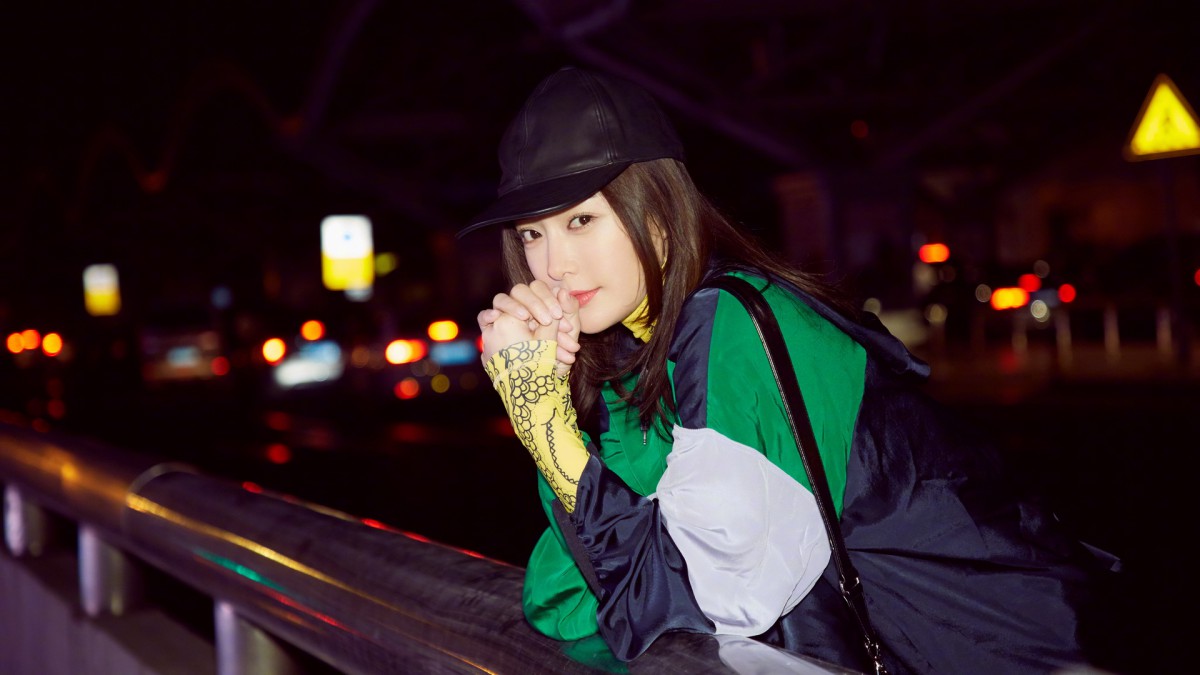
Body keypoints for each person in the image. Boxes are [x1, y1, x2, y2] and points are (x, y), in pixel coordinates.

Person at [460, 66, 1114, 674]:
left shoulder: (737, 328)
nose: (554, 265)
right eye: (532, 233)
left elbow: (696, 606)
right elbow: (567, 594)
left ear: (657, 212)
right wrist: (552, 407)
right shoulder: (637, 358)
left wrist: (543, 420)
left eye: (581, 220)